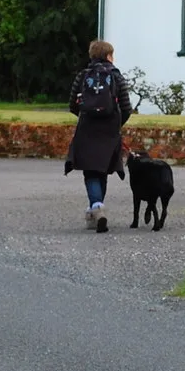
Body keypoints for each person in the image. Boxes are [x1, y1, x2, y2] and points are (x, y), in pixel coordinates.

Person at [64, 40, 132, 233]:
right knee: (102, 170)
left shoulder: (83, 76)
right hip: (109, 131)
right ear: (109, 56)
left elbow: (72, 105)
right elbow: (126, 108)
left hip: (87, 128)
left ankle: (96, 207)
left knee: (91, 171)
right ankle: (97, 207)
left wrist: (87, 117)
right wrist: (115, 124)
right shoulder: (117, 77)